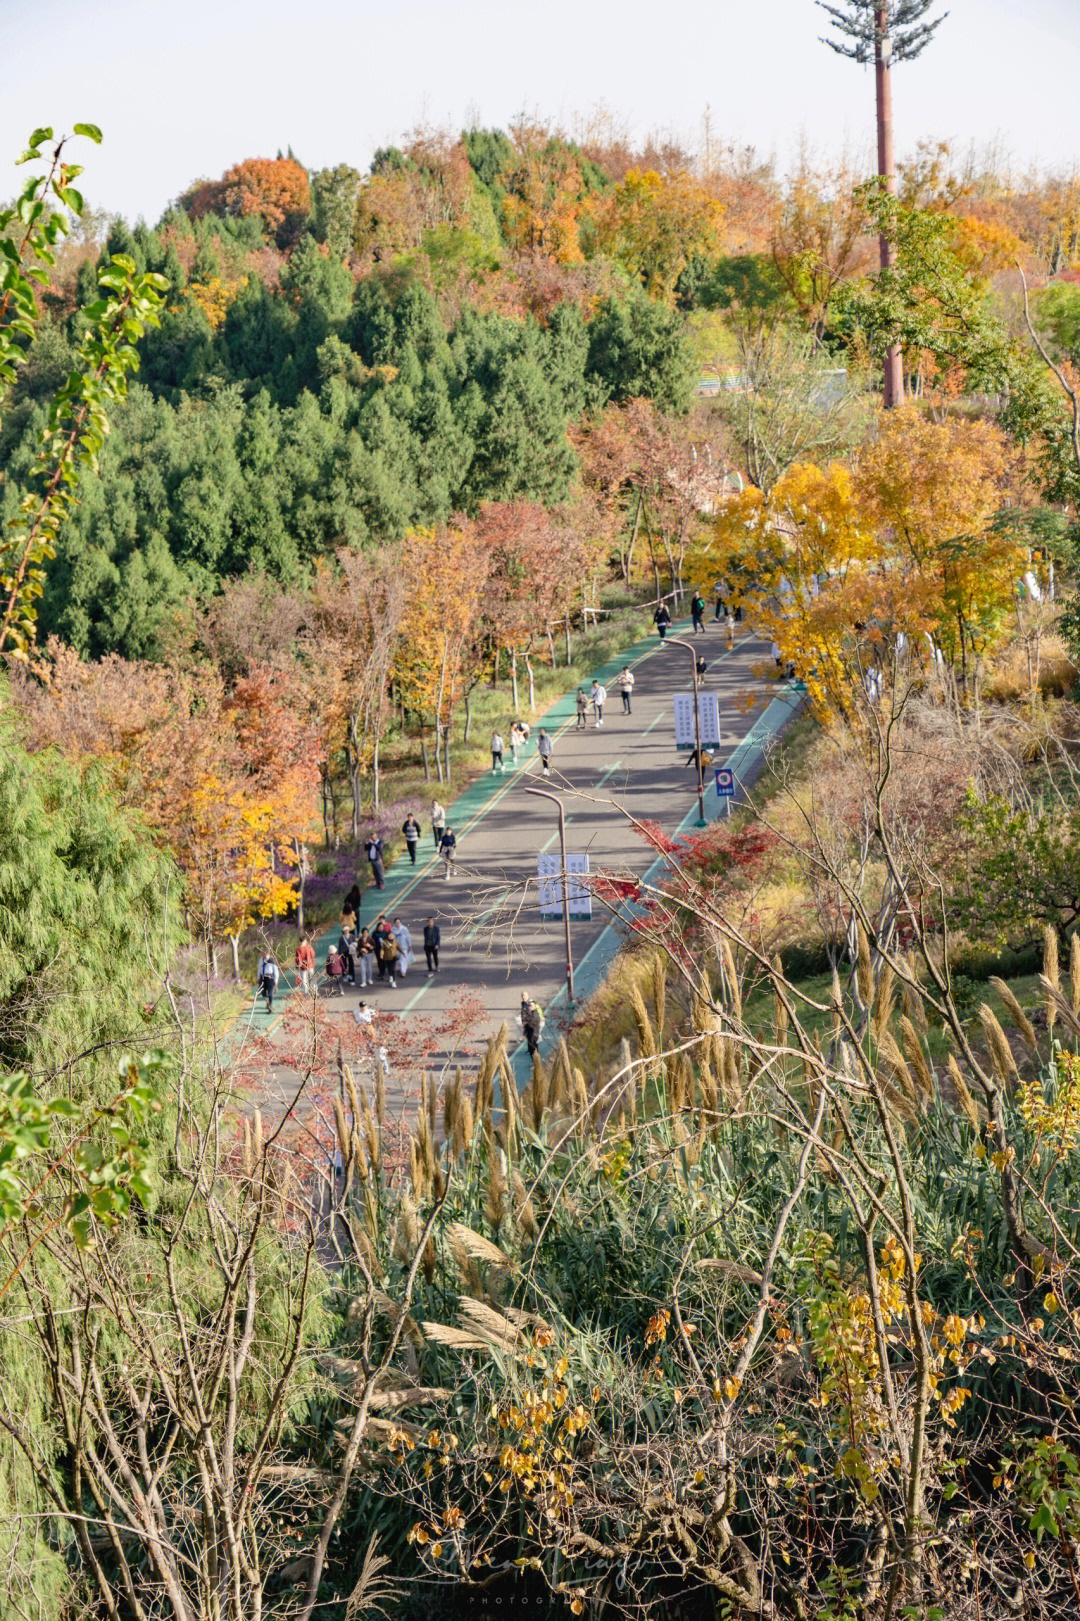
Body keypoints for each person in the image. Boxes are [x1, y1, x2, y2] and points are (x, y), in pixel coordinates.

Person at [520, 992, 544, 1057]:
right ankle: (531, 1052)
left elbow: (535, 1019)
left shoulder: (531, 1005)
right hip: (528, 1027)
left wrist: (527, 1021)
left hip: (533, 1029)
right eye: (522, 996)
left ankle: (535, 1056)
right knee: (530, 1041)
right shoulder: (523, 1004)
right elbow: (524, 1013)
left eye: (524, 995)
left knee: (534, 1043)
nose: (523, 997)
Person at [375, 919, 398, 987]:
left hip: (393, 957)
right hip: (387, 957)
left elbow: (398, 947)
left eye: (392, 935)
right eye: (390, 935)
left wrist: (403, 953)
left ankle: (394, 980)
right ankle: (390, 975)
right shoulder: (385, 942)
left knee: (393, 969)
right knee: (389, 968)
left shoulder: (394, 941)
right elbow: (382, 949)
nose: (391, 936)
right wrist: (381, 954)